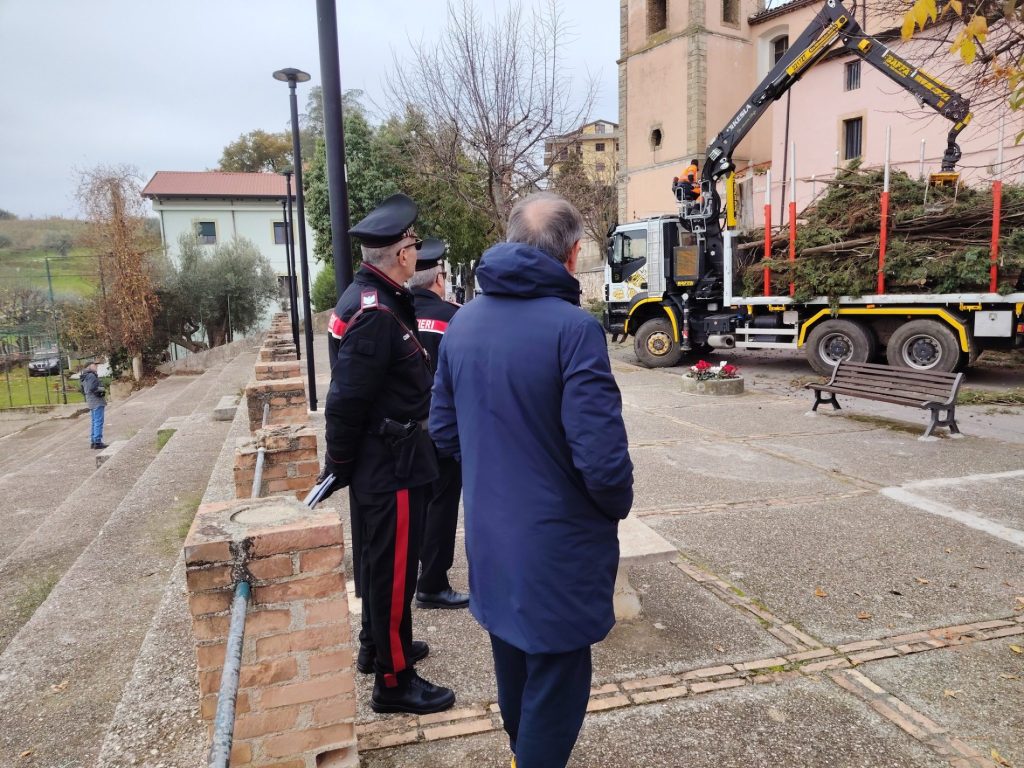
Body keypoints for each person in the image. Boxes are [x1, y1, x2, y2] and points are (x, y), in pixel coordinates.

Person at [429, 191, 634, 767]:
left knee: (514, 665)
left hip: (492, 535)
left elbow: (443, 433)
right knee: (560, 680)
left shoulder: (463, 323)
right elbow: (602, 461)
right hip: (557, 544)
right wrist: (613, 506)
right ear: (571, 256)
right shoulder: (574, 330)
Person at [318, 193, 455, 715]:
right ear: (401, 253)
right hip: (389, 462)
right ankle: (394, 681)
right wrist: (342, 466)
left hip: (389, 458)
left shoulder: (372, 295)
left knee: (382, 568)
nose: (417, 252)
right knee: (393, 572)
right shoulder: (375, 312)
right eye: (414, 244)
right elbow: (345, 399)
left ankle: (380, 646)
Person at [408, 239, 470, 610]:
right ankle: (432, 582)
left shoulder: (395, 311)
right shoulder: (455, 317)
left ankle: (418, 569)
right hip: (444, 427)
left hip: (406, 429)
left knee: (416, 504)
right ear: (439, 279)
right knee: (442, 506)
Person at [81, 362, 107, 449]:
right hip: (96, 401)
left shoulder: (84, 376)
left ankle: (93, 441)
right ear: (89, 366)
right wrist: (101, 389)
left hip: (91, 401)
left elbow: (84, 389)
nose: (97, 366)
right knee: (98, 421)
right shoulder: (91, 376)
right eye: (94, 365)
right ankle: (97, 441)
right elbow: (92, 388)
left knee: (94, 422)